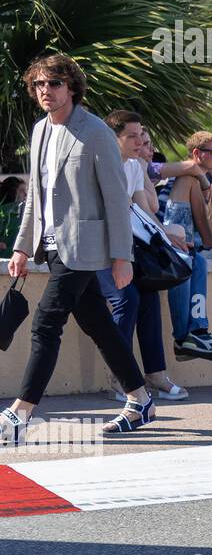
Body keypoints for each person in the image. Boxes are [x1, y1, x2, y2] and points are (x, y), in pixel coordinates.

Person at [1, 53, 156, 443]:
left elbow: (116, 198)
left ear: (71, 86)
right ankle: (140, 399)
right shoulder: (39, 132)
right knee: (99, 325)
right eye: (38, 85)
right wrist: (22, 247)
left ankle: (21, 414)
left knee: (45, 322)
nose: (45, 91)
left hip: (85, 246)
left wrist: (123, 256)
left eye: (53, 83)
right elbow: (36, 196)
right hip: (52, 246)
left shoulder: (96, 131)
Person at [98, 110, 189, 402]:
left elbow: (143, 210)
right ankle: (120, 376)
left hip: (129, 248)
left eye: (141, 135)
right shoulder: (99, 163)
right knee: (127, 299)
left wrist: (166, 236)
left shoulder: (135, 166)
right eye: (131, 136)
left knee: (149, 297)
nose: (139, 142)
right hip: (97, 250)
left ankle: (155, 375)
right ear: (115, 138)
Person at [161, 130, 212, 363]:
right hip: (165, 240)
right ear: (196, 153)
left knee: (198, 261)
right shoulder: (185, 176)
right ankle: (183, 337)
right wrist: (202, 182)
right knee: (185, 259)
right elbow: (190, 170)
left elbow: (210, 233)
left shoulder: (207, 184)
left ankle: (198, 331)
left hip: (186, 245)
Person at [0, 176, 25, 255]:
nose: (25, 194)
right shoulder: (5, 213)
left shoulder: (21, 211)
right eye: (22, 191)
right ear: (12, 192)